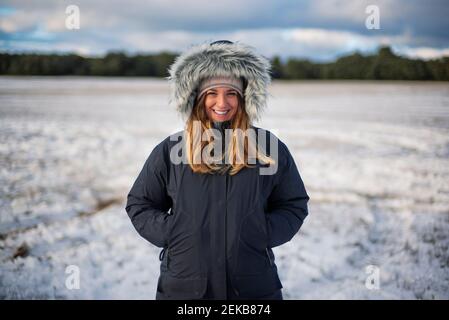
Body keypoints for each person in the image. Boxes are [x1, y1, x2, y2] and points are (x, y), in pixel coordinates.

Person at [125, 40, 309, 300]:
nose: (222, 102)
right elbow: (140, 203)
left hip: (253, 288)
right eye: (212, 92)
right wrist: (174, 232)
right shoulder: (171, 150)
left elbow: (293, 203)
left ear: (245, 97)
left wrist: (261, 231)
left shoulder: (268, 148)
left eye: (231, 92)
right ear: (197, 97)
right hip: (184, 288)